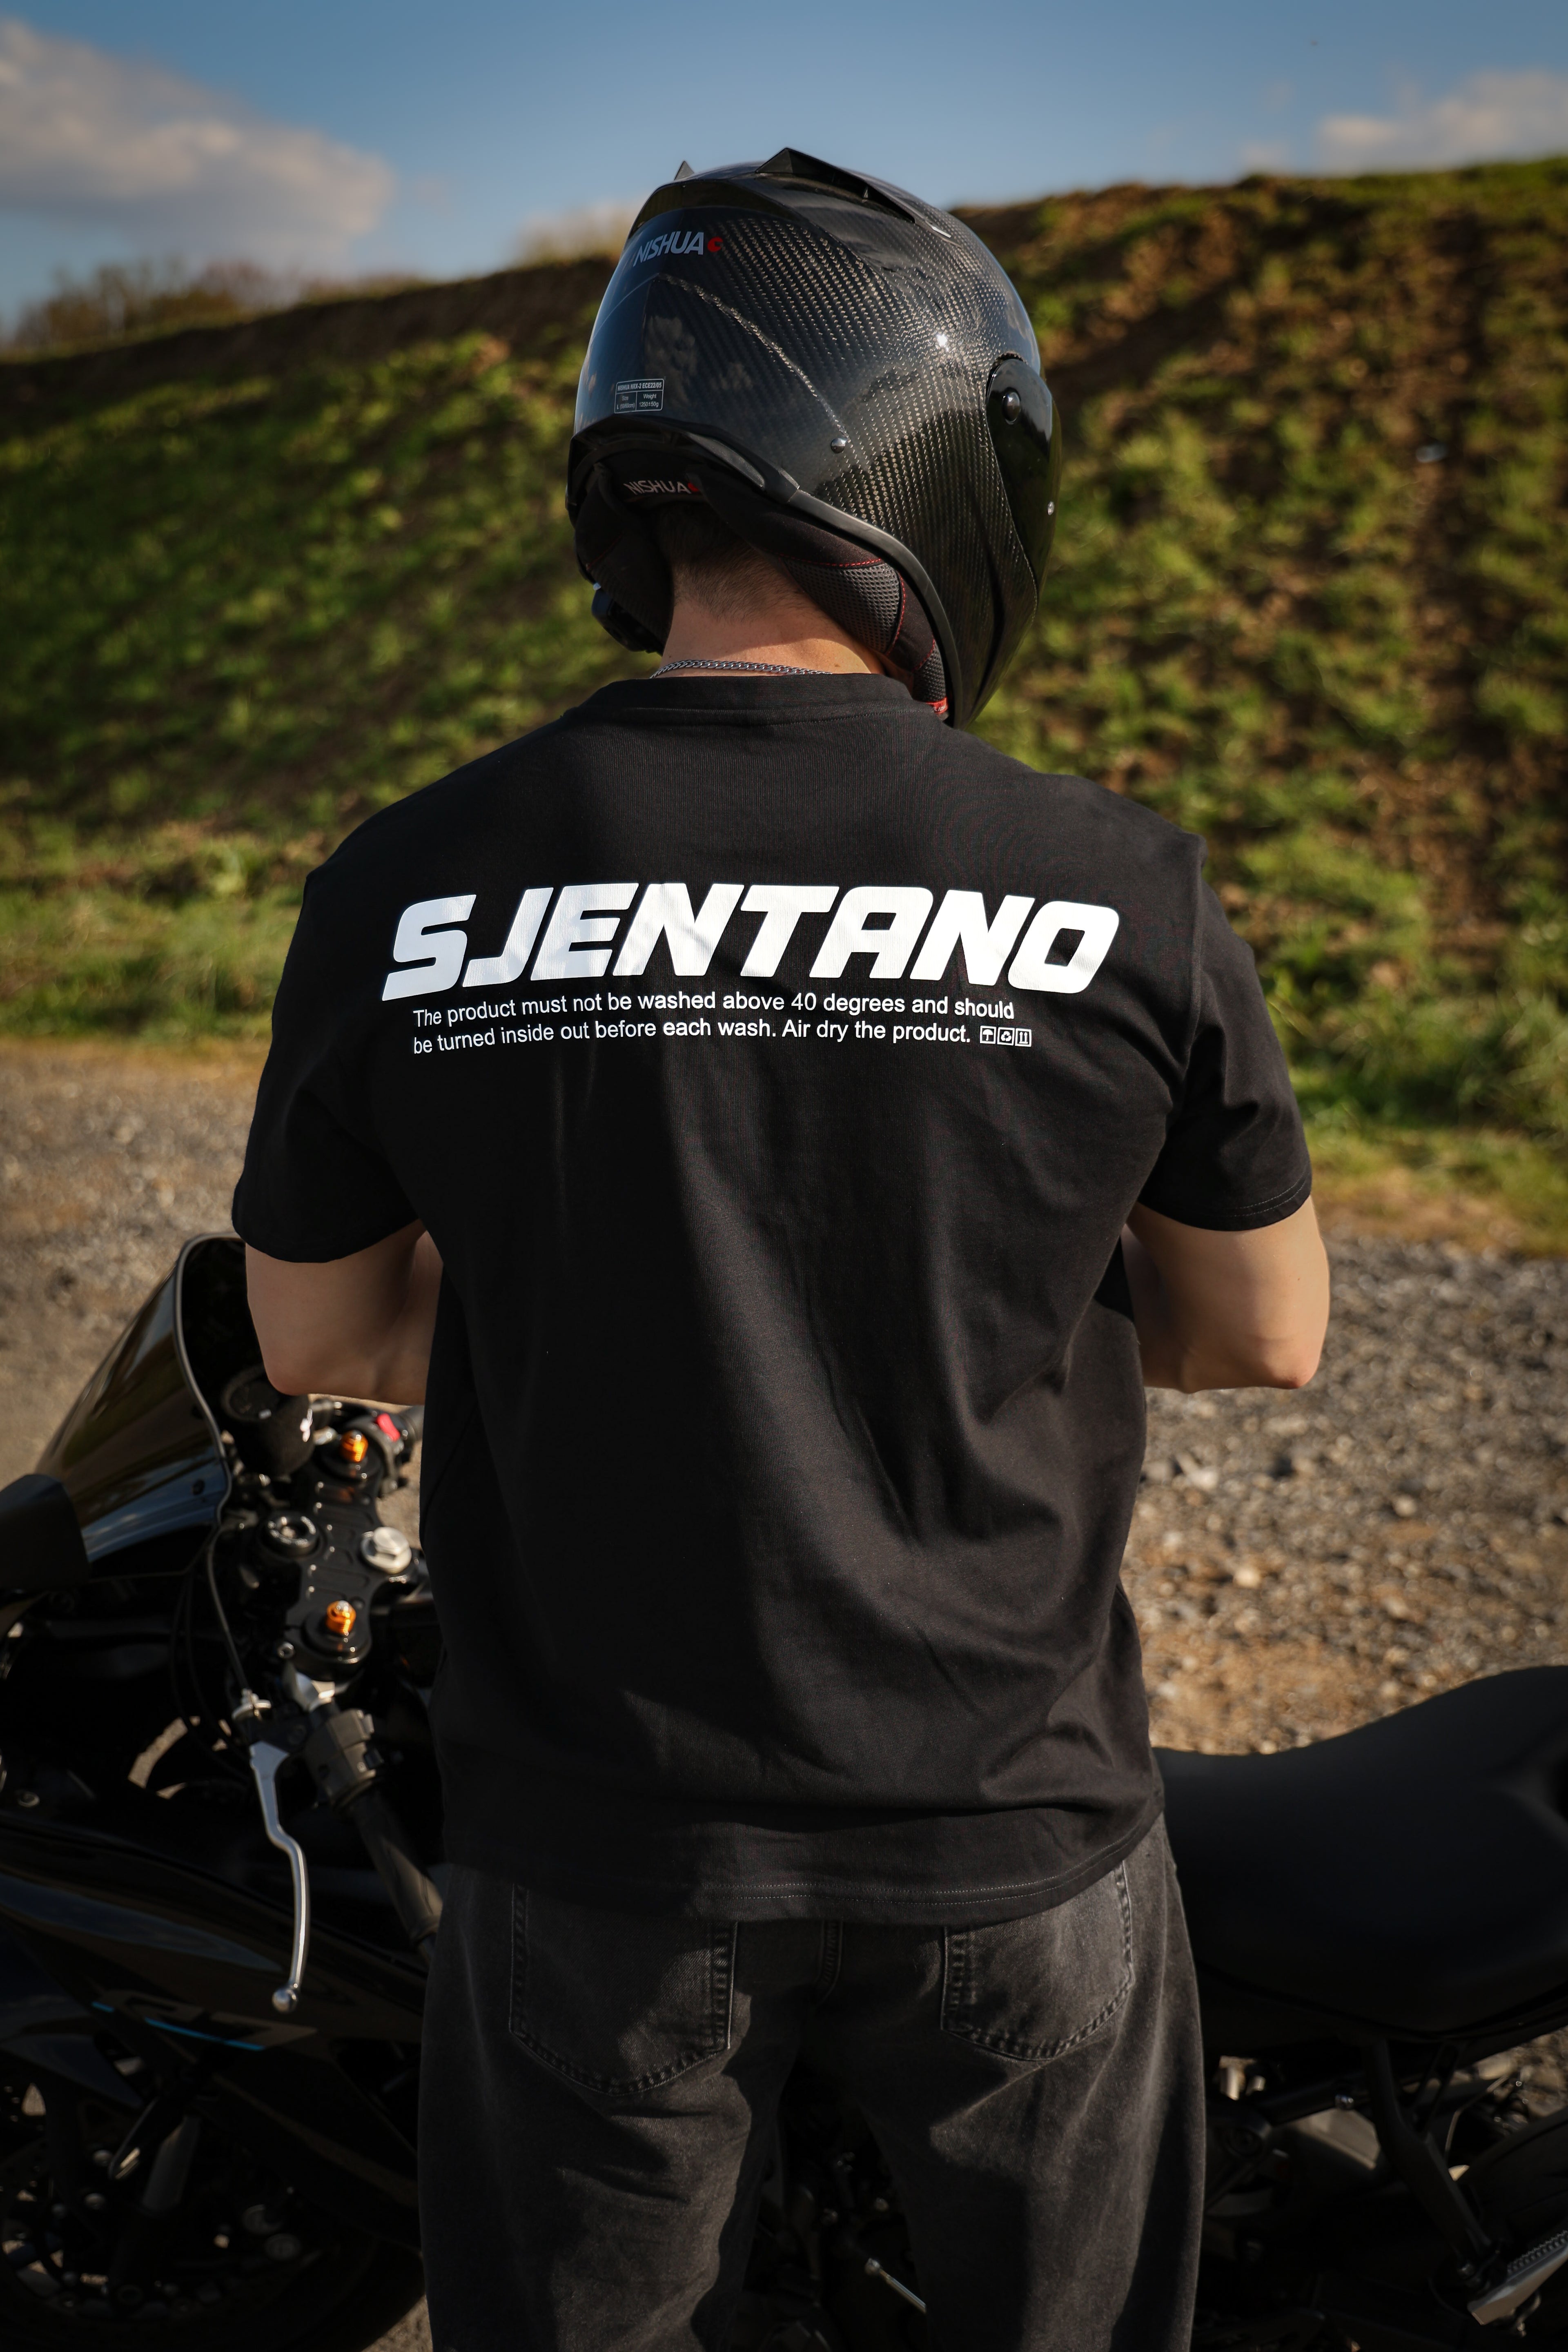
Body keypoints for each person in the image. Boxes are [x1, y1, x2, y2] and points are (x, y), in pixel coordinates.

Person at [238, 149, 1330, 2352]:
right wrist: (957, 1291)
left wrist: (600, 1286)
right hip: (1013, 1840)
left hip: (597, 1864)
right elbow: (1261, 1335)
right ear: (932, 468)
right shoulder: (1120, 884)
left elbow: (321, 1335)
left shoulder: (409, 880)